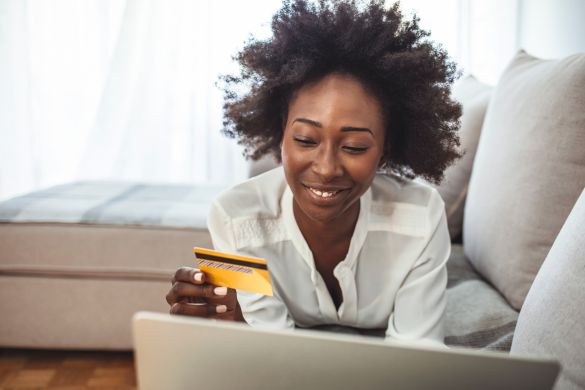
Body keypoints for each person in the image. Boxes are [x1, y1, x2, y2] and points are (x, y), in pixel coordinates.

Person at [166, 0, 461, 345]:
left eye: (353, 146)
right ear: (282, 133)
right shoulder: (235, 217)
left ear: (386, 149)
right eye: (306, 139)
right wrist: (237, 326)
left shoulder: (421, 216)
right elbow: (272, 345)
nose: (326, 168)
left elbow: (416, 353)